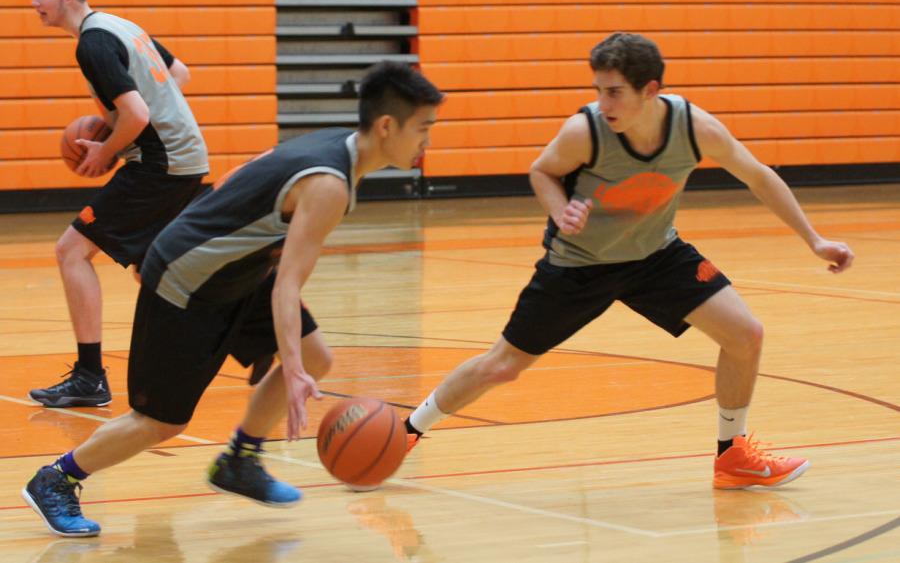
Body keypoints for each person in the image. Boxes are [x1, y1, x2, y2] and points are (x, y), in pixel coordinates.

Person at [402, 32, 854, 490]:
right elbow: (542, 170)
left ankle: (732, 455)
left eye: (614, 92)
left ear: (650, 90)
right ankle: (406, 432)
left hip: (656, 255)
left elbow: (758, 176)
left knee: (746, 334)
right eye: (597, 90)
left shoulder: (694, 128)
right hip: (579, 266)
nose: (603, 102)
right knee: (502, 366)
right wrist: (560, 210)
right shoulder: (586, 131)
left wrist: (813, 240)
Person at [22, 61, 445, 537]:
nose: (427, 142)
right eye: (423, 129)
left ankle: (240, 460)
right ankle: (56, 479)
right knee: (159, 423)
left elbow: (243, 174)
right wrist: (291, 368)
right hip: (189, 281)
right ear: (387, 126)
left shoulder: (337, 143)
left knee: (314, 356)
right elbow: (288, 285)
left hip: (234, 270)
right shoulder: (330, 184)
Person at [28, 0, 209, 408]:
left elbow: (138, 114)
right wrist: (124, 130)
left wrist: (105, 150)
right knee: (150, 267)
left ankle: (90, 377)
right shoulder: (119, 25)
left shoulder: (92, 44)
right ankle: (237, 335)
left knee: (72, 250)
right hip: (180, 159)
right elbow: (179, 75)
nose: (34, 3)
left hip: (159, 164)